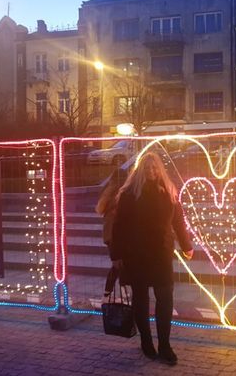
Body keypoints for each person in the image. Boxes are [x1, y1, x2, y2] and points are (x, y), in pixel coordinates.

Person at [111, 152, 194, 365]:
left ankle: (165, 345)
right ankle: (146, 342)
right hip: (136, 254)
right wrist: (116, 254)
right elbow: (118, 226)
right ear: (140, 170)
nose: (151, 171)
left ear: (160, 169)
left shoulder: (168, 191)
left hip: (161, 253)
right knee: (140, 298)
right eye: (147, 168)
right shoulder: (129, 194)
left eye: (155, 167)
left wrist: (186, 245)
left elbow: (178, 221)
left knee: (165, 298)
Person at [95, 168, 128, 297]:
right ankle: (121, 290)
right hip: (118, 236)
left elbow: (101, 210)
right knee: (120, 264)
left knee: (117, 264)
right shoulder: (122, 194)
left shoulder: (108, 193)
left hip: (110, 236)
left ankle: (109, 291)